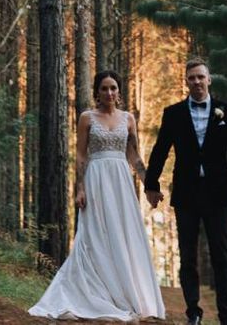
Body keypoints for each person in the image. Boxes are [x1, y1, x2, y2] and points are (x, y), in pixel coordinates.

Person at [29, 70, 165, 321]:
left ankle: (123, 293)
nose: (109, 93)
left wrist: (150, 186)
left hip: (121, 181)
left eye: (113, 88)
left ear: (119, 91)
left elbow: (134, 157)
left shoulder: (128, 119)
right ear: (97, 92)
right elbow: (81, 154)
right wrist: (80, 187)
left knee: (122, 234)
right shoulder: (87, 118)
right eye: (104, 88)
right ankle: (88, 293)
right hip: (96, 178)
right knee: (94, 235)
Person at [145, 58, 227, 325]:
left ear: (209, 79)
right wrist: (151, 185)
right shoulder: (174, 113)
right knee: (188, 254)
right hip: (186, 194)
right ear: (186, 81)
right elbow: (160, 150)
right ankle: (193, 312)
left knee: (221, 255)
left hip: (218, 194)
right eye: (191, 77)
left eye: (200, 77)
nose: (196, 82)